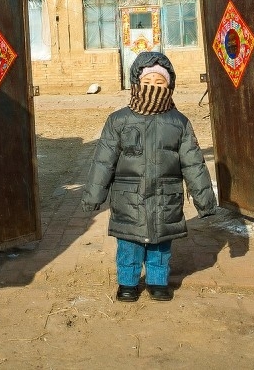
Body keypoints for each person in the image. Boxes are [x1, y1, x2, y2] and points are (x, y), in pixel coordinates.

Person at [81, 51, 218, 303]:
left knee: (160, 244)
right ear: (136, 84)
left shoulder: (179, 123)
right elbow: (103, 161)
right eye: (147, 82)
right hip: (128, 198)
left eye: (159, 83)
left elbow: (194, 164)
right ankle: (128, 283)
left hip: (165, 198)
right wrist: (93, 197)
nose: (153, 88)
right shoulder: (119, 120)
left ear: (169, 86)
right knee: (129, 245)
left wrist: (205, 201)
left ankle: (157, 281)